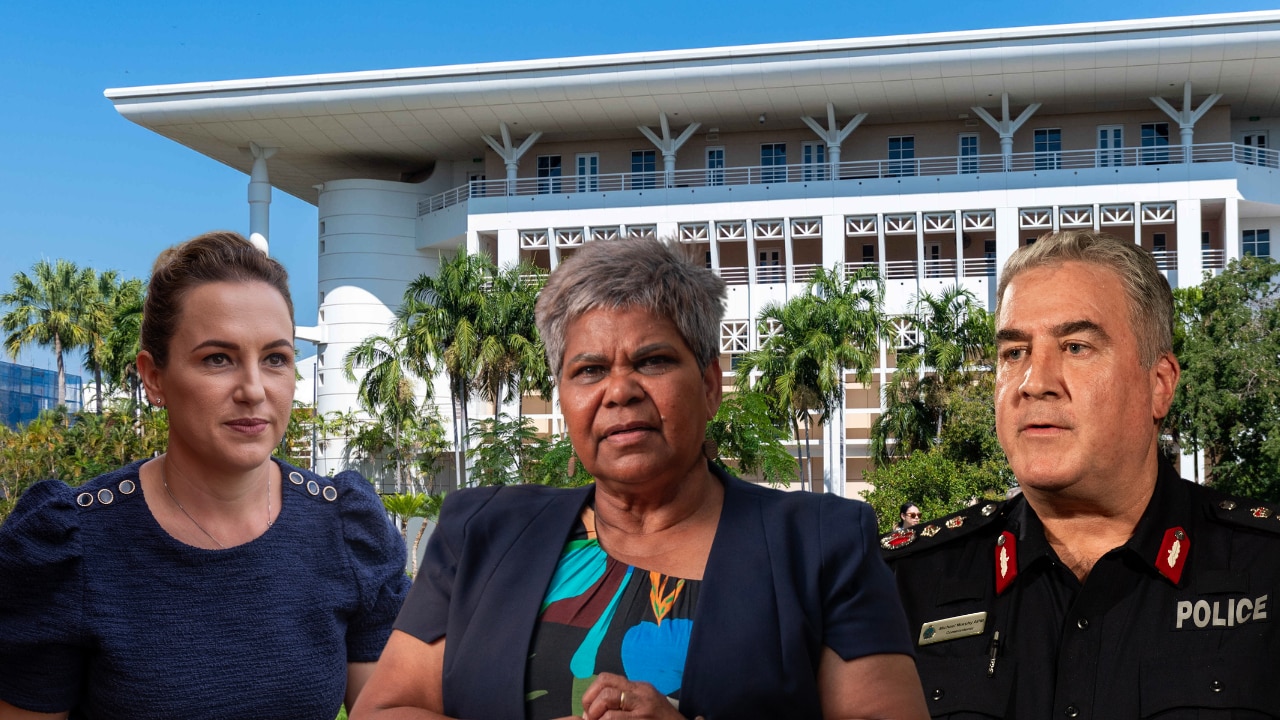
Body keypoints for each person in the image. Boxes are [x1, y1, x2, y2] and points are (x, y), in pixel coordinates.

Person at [353, 236, 929, 720]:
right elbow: (385, 709)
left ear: (709, 386)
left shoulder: (821, 544)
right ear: (564, 397)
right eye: (590, 370)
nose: (620, 390)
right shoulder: (482, 532)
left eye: (653, 361)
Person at [0, 231, 410, 719]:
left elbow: (391, 710)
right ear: (154, 376)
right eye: (219, 359)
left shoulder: (345, 530)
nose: (253, 390)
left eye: (276, 359)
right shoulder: (72, 545)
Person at [881, 230, 1280, 717]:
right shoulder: (901, 586)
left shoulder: (1266, 569)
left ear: (1158, 385)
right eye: (1014, 352)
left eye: (1075, 347)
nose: (1035, 383)